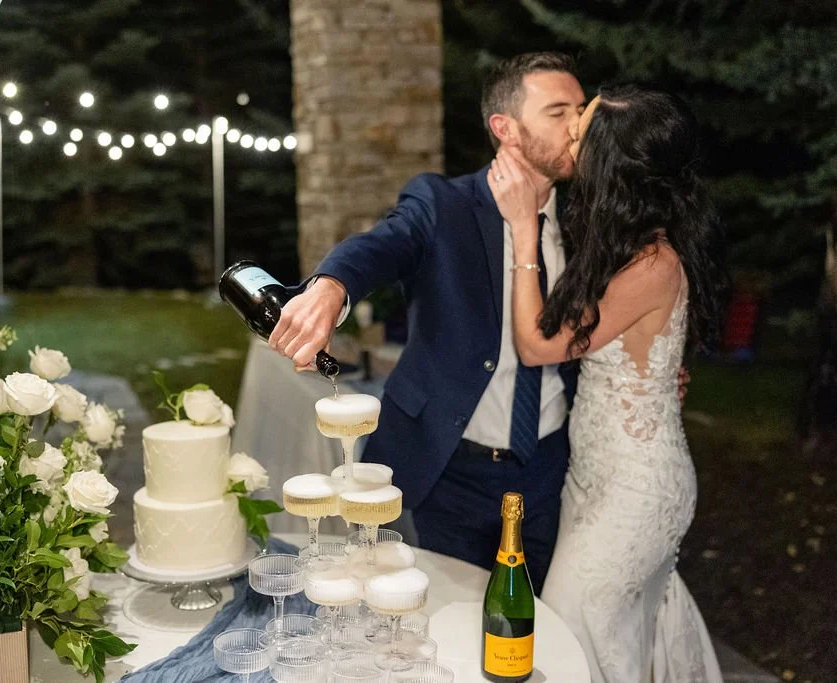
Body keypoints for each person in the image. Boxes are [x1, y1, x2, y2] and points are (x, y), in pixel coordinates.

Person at [267, 52, 586, 593]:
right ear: (504, 128)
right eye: (558, 112)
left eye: (581, 110)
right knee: (447, 618)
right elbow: (382, 246)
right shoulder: (443, 205)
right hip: (450, 467)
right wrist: (332, 284)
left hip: (549, 466)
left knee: (533, 621)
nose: (578, 126)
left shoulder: (586, 220)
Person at [488, 84, 726, 682]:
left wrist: (522, 231)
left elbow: (537, 345)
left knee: (571, 626)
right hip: (593, 478)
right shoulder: (623, 242)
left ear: (614, 164)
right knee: (609, 634)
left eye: (583, 128)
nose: (572, 135)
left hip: (635, 493)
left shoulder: (652, 263)